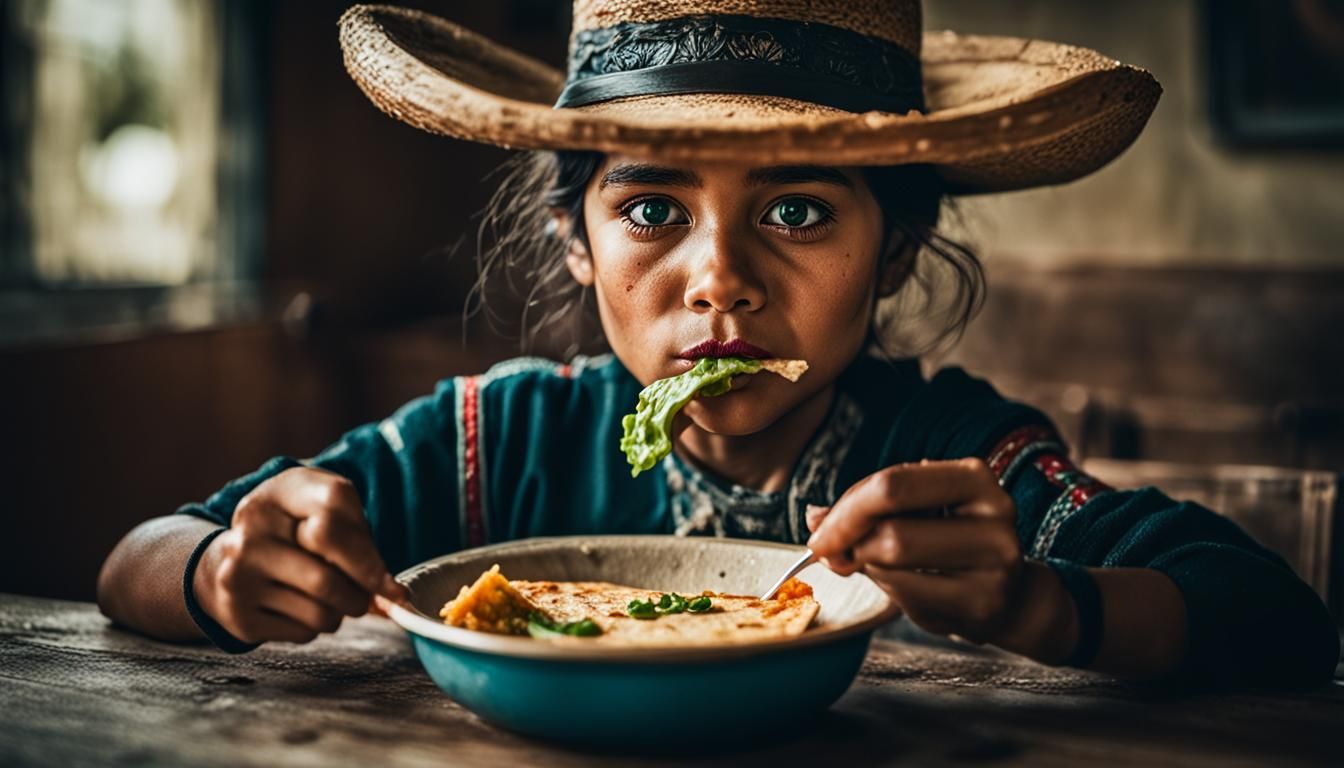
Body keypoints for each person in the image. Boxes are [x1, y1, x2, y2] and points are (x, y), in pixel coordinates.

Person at [97, 0, 1338, 687]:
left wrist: (1041, 604)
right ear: (577, 240)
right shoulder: (493, 442)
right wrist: (222, 574)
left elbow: (1271, 616)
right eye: (651, 211)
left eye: (797, 213)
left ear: (896, 250)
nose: (721, 280)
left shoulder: (960, 463)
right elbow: (135, 559)